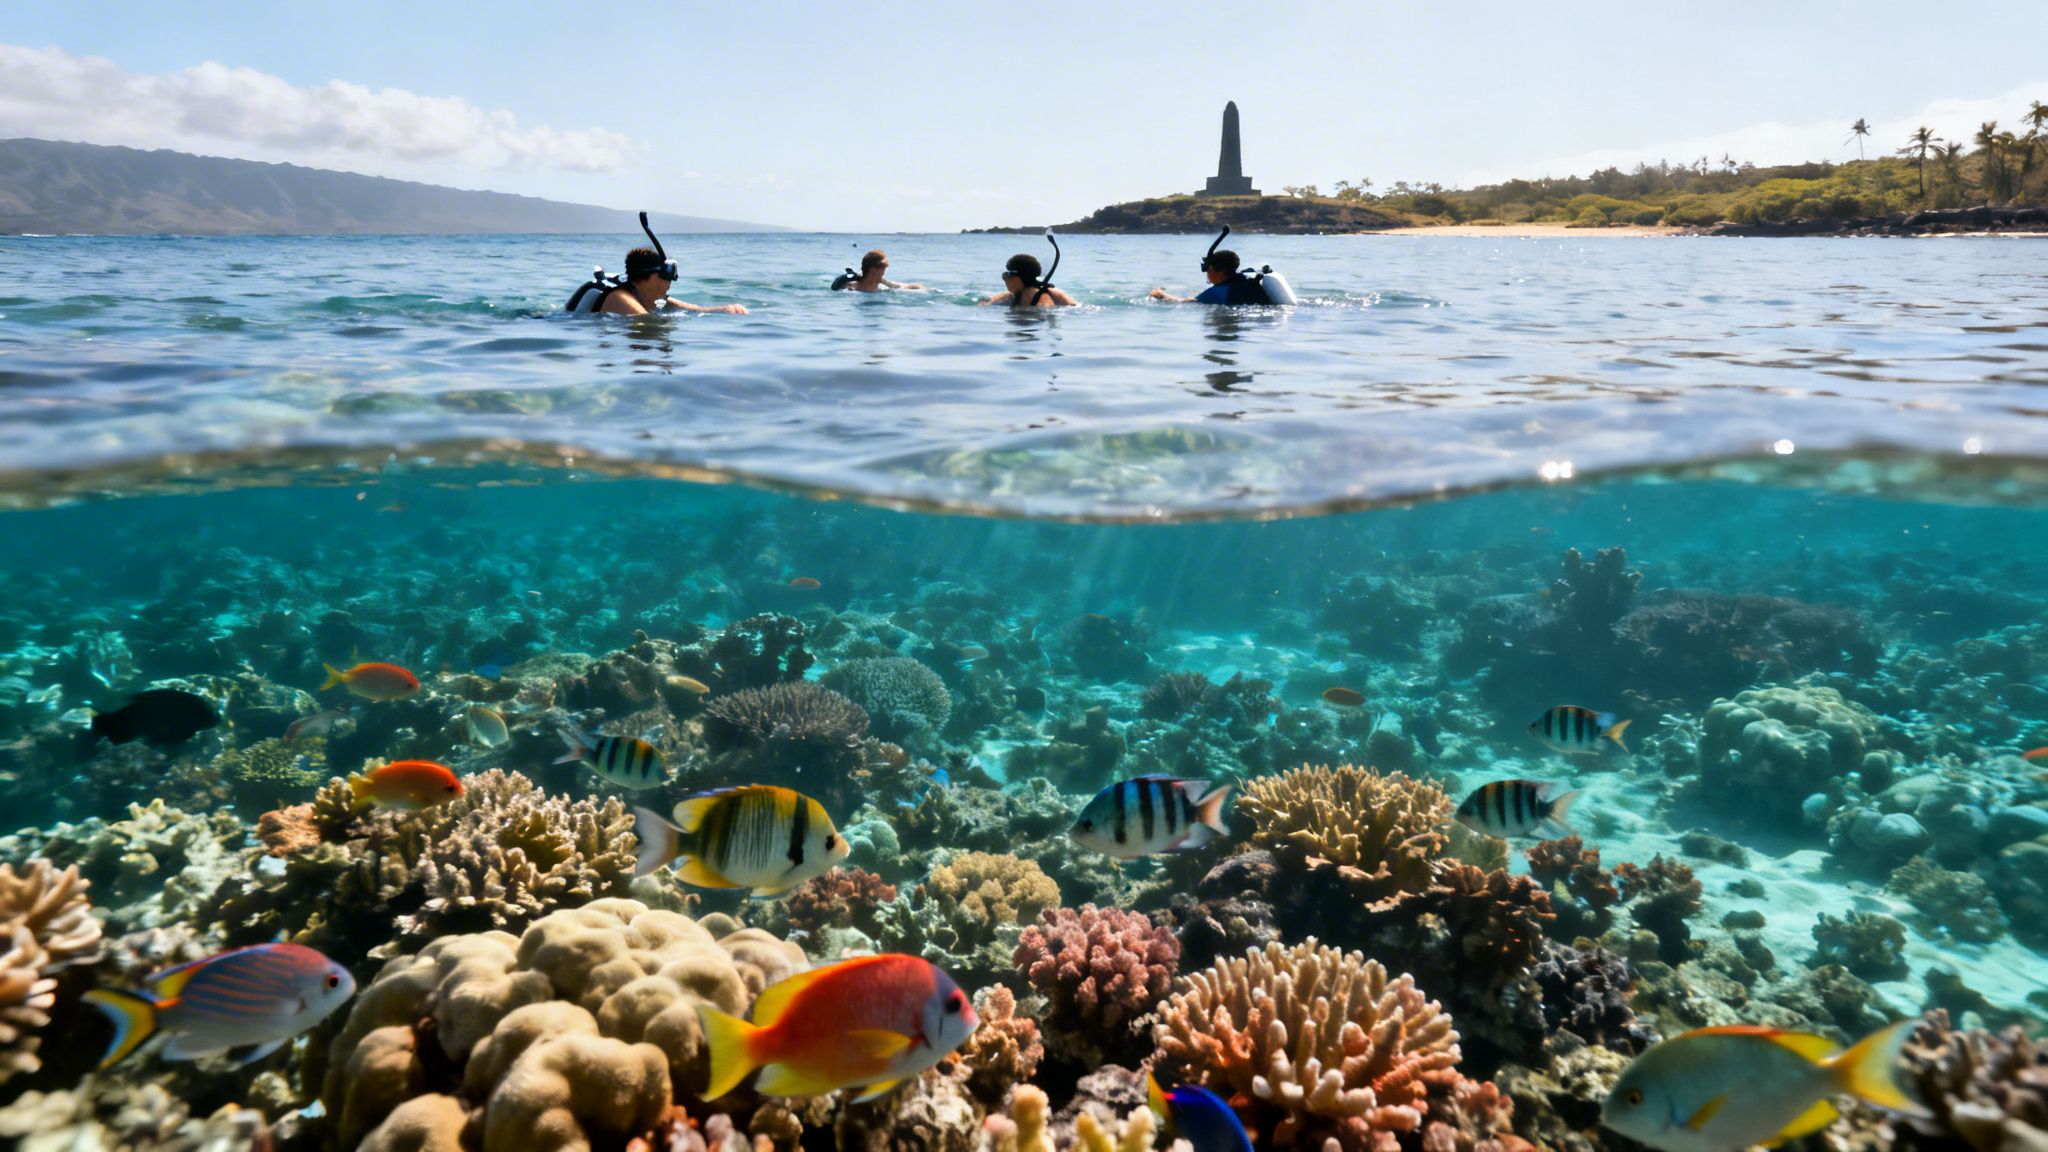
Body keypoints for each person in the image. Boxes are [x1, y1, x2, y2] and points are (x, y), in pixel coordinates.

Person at [599, 247, 748, 316]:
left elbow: (697, 310)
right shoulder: (621, 298)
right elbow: (647, 327)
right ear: (653, 277)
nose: (670, 282)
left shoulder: (650, 297)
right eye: (668, 276)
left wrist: (726, 309)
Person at [1149, 249, 1268, 305]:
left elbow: (1184, 302)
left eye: (1207, 269)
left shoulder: (1218, 292)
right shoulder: (1246, 277)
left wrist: (1161, 295)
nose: (1206, 273)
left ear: (1221, 271)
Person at [979, 253, 1077, 308]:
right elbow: (985, 305)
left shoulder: (1042, 298)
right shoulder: (1010, 296)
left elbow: (1046, 311)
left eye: (1007, 275)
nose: (1004, 279)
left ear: (1019, 278)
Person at [835, 250, 924, 292]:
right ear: (874, 270)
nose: (884, 272)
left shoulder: (883, 286)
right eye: (885, 267)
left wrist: (888, 283)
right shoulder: (850, 289)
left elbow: (915, 286)